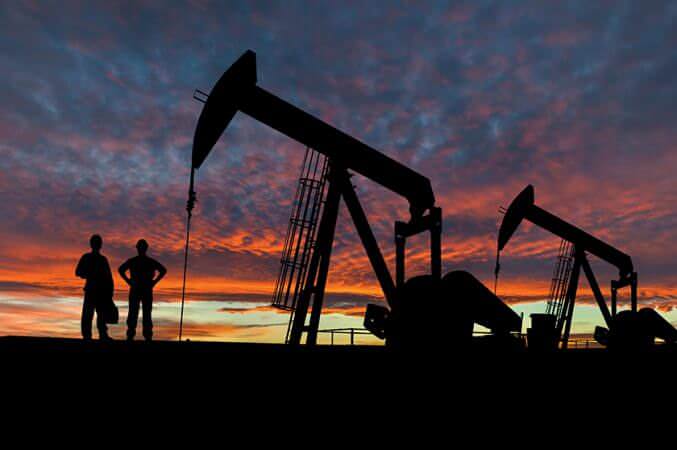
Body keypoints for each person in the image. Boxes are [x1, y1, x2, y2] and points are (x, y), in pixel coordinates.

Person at [118, 239, 166, 341]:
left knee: (141, 313)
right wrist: (153, 282)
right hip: (141, 289)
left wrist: (154, 282)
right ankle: (135, 335)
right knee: (137, 312)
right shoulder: (144, 261)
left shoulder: (137, 261)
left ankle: (141, 335)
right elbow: (120, 269)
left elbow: (163, 270)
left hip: (141, 289)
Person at [75, 234, 114, 340]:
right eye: (96, 242)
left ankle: (102, 334)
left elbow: (109, 277)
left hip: (101, 291)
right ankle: (87, 335)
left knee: (101, 314)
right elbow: (78, 272)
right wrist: (89, 274)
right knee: (88, 314)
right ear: (92, 244)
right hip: (91, 290)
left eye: (98, 243)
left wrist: (110, 291)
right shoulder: (86, 257)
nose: (97, 245)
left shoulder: (103, 259)